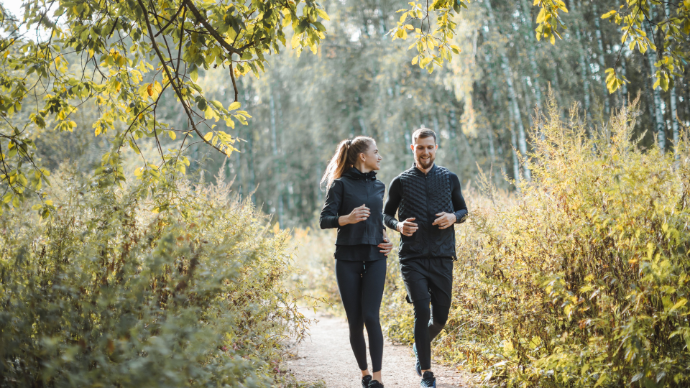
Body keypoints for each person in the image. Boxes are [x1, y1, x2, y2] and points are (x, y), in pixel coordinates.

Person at [383, 128, 468, 388]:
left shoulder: (449, 178)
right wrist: (398, 226)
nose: (426, 152)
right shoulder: (400, 181)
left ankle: (420, 347)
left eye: (430, 147)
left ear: (436, 147)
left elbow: (463, 210)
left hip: (442, 256)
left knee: (440, 318)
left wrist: (453, 217)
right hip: (413, 258)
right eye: (420, 147)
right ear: (413, 149)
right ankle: (427, 375)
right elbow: (385, 215)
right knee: (422, 311)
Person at [319, 136, 393, 388]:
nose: (379, 156)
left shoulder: (380, 186)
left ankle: (378, 379)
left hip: (375, 257)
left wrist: (386, 239)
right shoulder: (339, 185)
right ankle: (364, 374)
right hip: (347, 258)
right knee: (355, 320)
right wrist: (347, 219)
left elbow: (377, 222)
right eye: (376, 151)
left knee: (372, 316)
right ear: (363, 156)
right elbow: (324, 219)